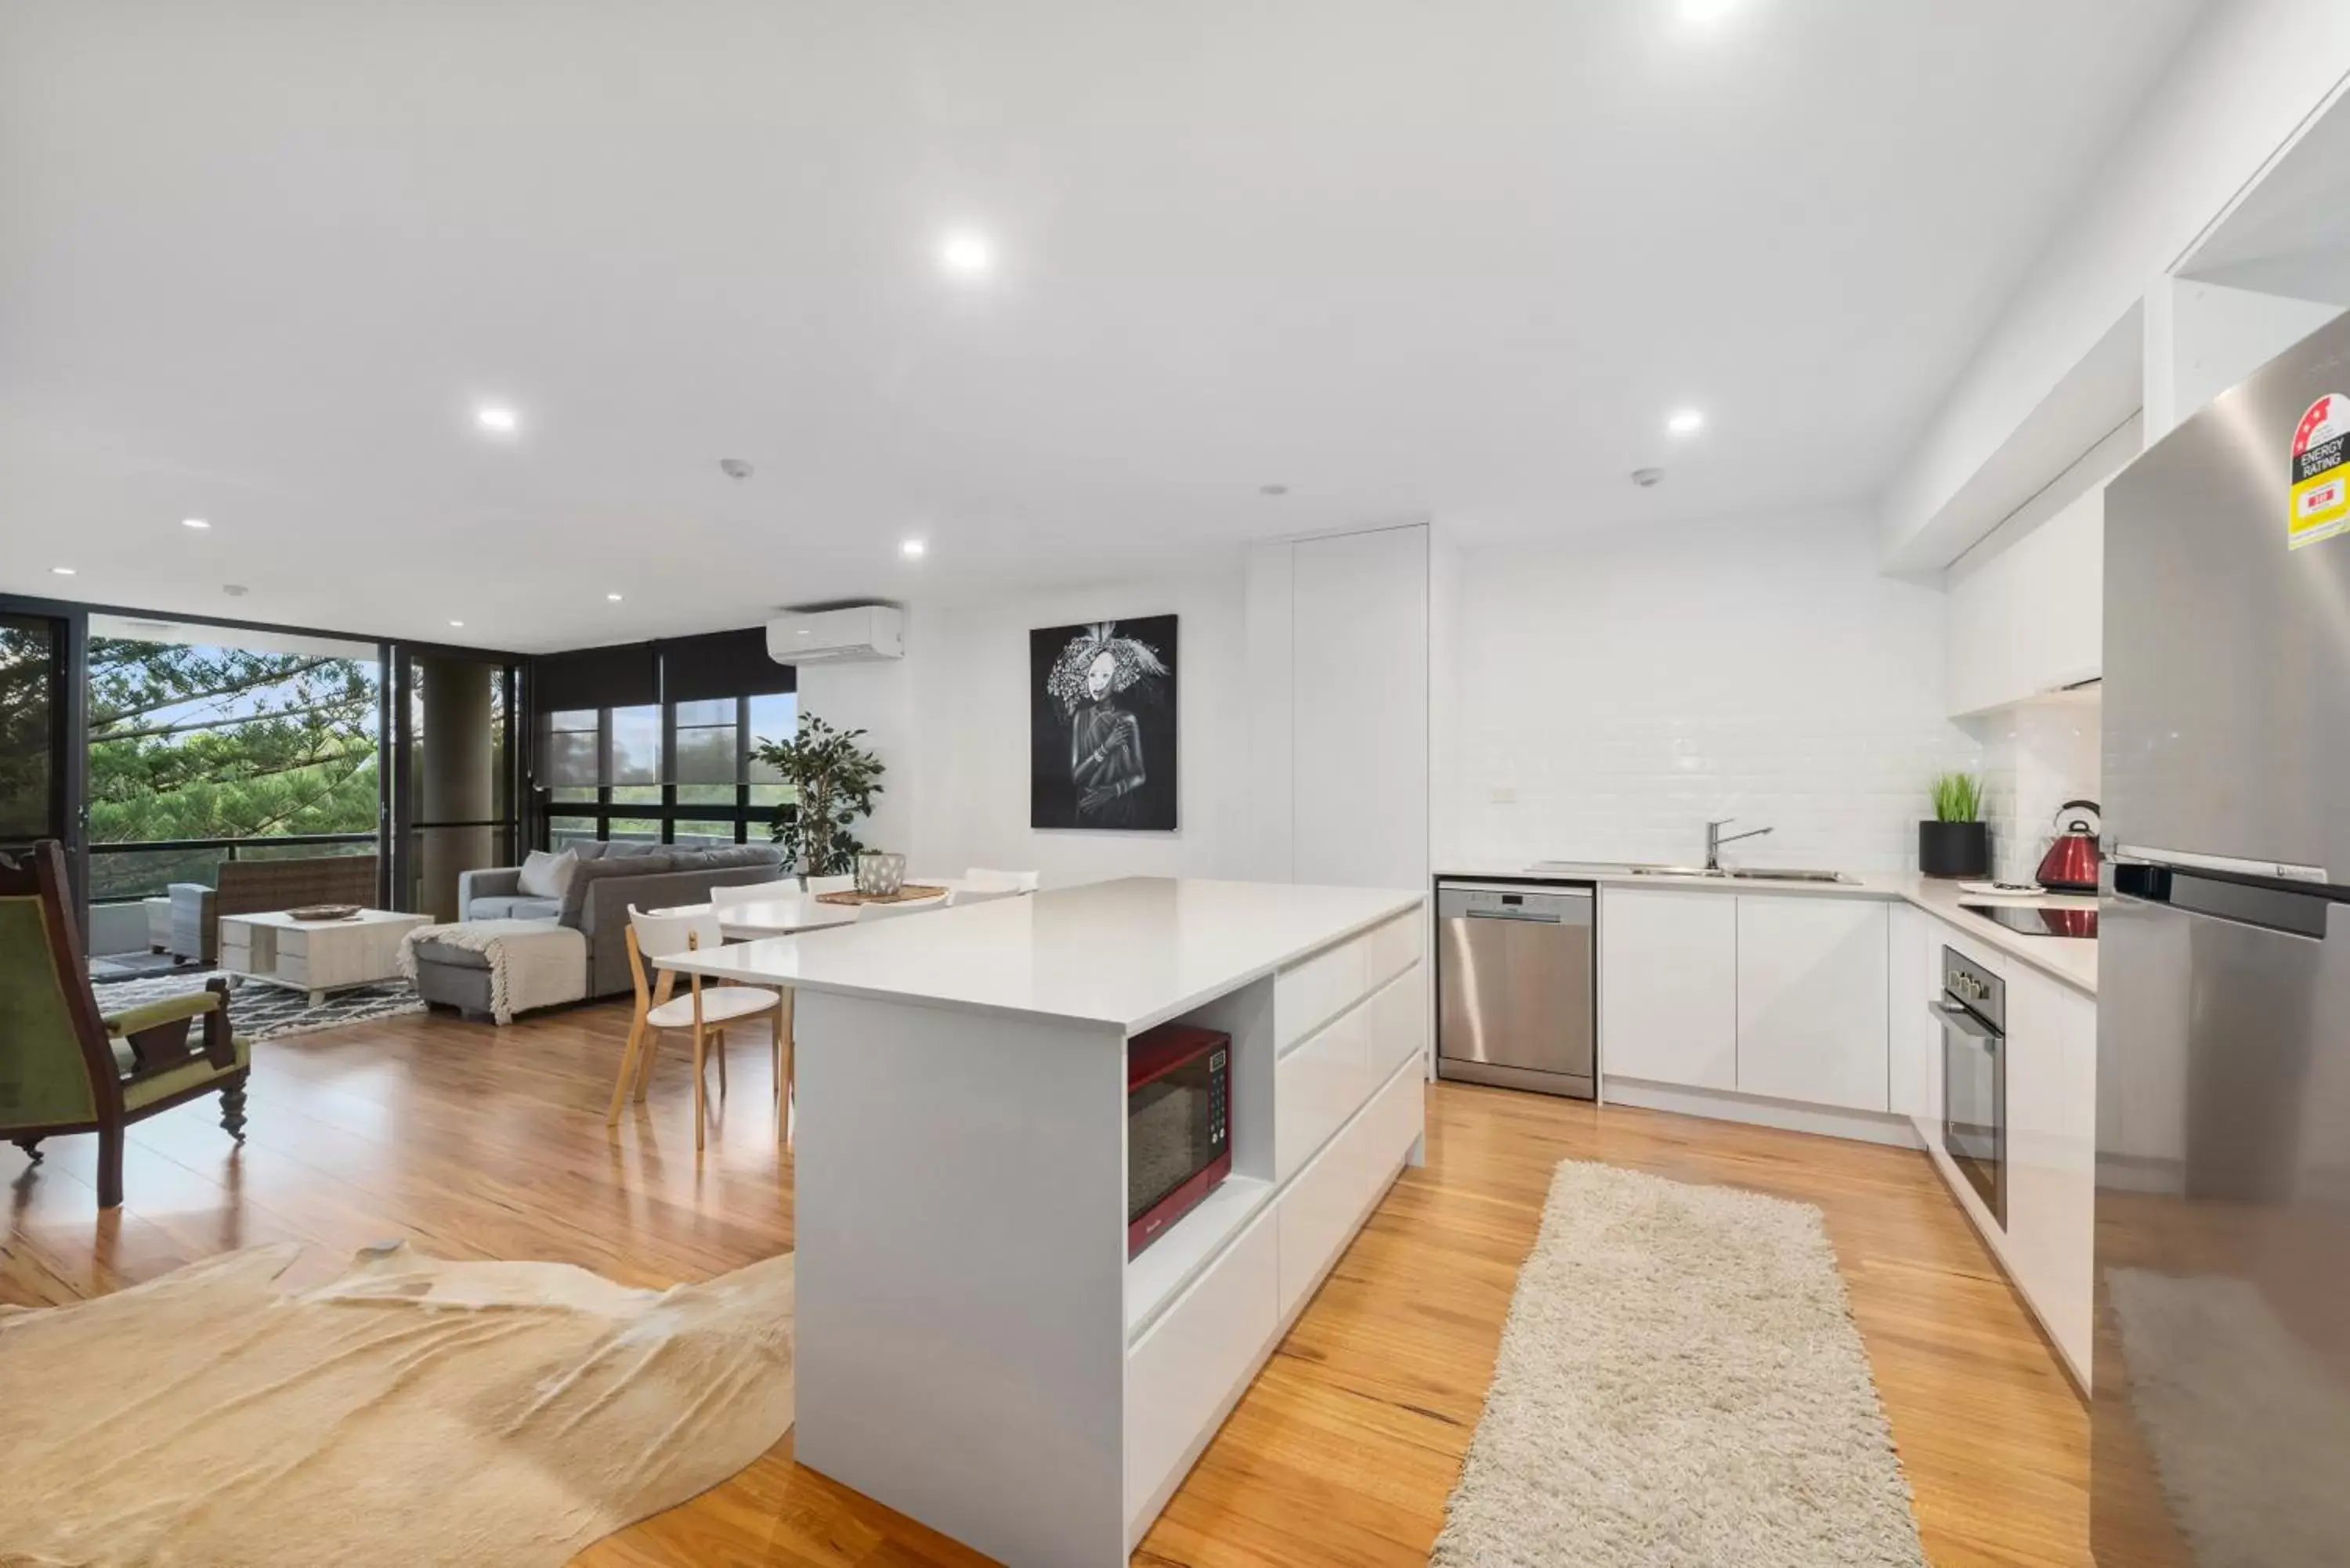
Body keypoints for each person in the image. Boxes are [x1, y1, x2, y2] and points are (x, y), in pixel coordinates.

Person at [1045, 623, 1167, 827]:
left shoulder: (1127, 719)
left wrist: (1111, 792)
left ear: (1117, 679)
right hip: (1087, 808)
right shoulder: (1080, 718)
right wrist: (1106, 748)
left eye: (1105, 675)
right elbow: (1076, 776)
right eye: (1092, 675)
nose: (1098, 683)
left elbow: (1139, 775)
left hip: (1120, 810)